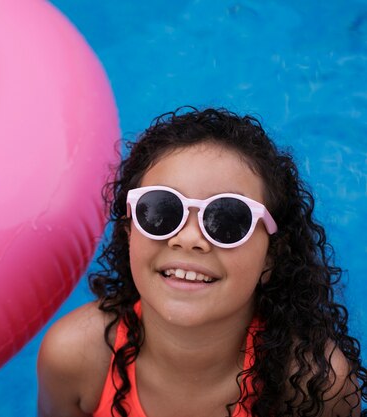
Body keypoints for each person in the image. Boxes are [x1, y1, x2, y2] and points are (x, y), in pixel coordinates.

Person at [37, 107, 366, 417]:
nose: (189, 238)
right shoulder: (75, 356)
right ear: (128, 234)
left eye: (228, 219)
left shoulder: (314, 384)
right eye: (162, 211)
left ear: (271, 257)